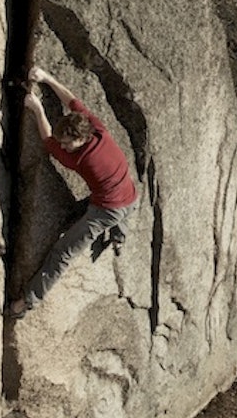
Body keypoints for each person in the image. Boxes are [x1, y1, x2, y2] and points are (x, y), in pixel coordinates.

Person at [7, 65, 139, 318]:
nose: (64, 147)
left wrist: (37, 109)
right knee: (121, 207)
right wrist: (46, 78)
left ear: (80, 140)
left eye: (68, 143)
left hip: (107, 209)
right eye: (64, 143)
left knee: (63, 252)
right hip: (129, 193)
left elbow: (47, 140)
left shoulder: (80, 159)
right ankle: (118, 237)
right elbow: (70, 99)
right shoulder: (96, 129)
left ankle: (27, 302)